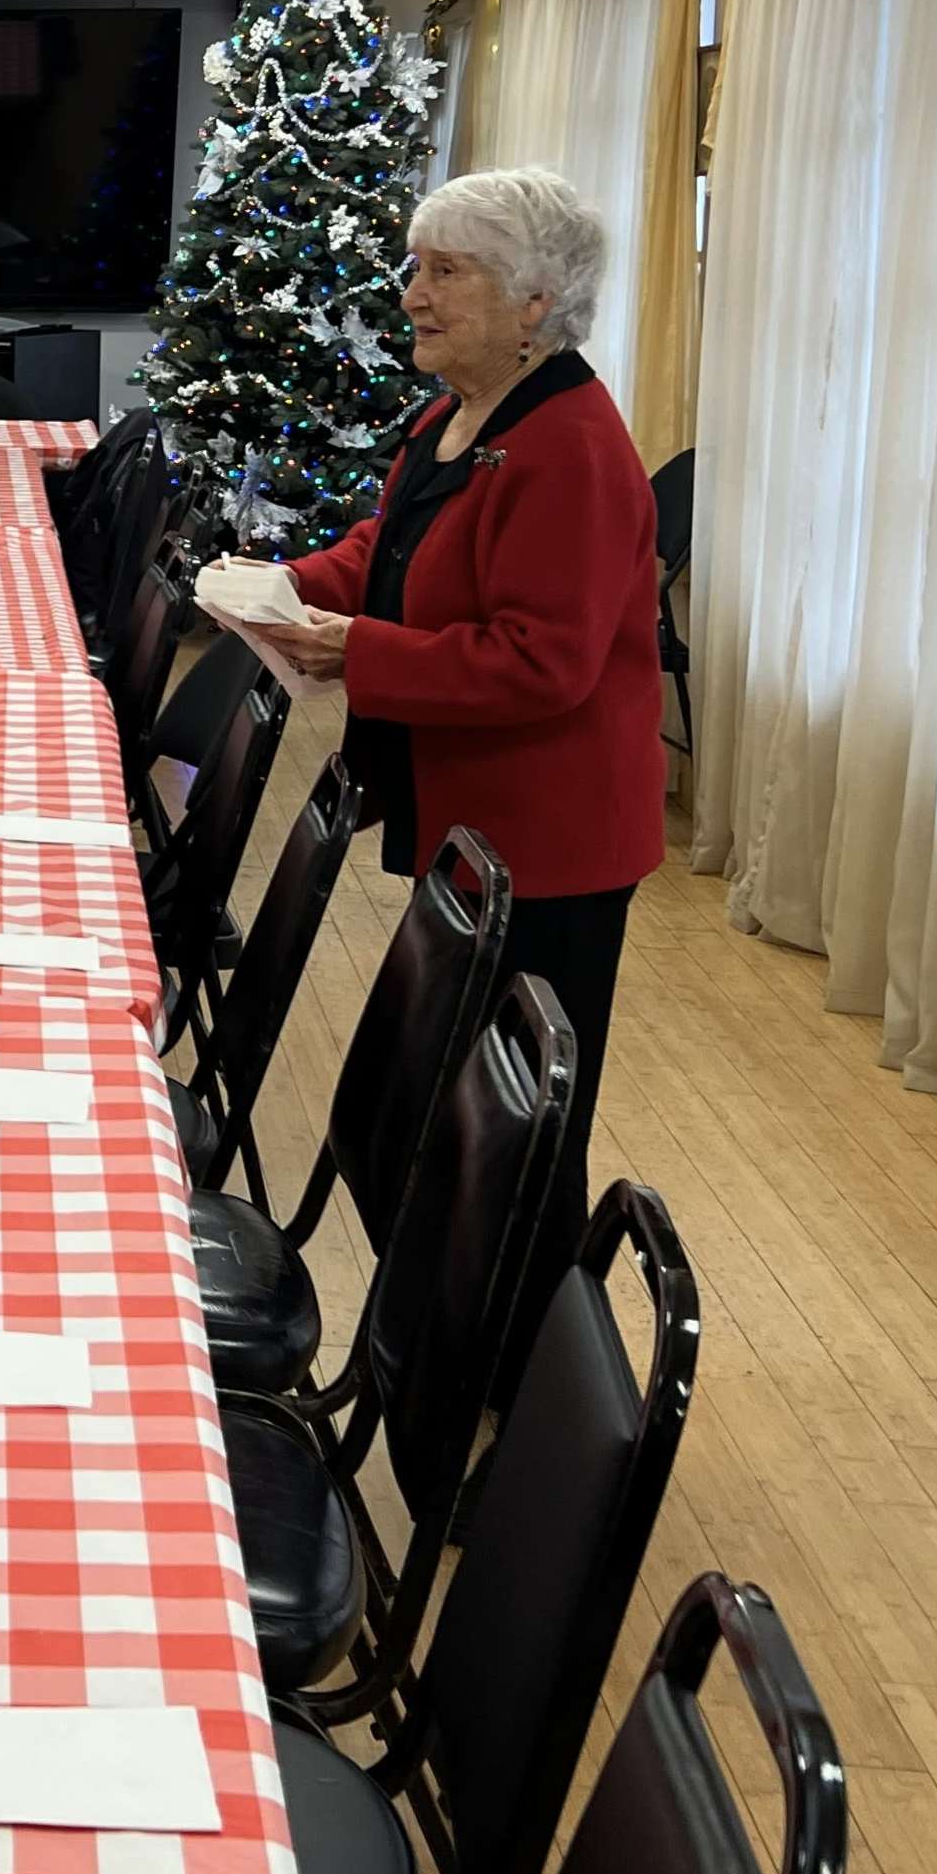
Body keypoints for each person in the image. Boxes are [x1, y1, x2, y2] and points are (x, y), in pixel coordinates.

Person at [257, 164, 664, 1365]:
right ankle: (461, 1335)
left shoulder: (571, 448)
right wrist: (281, 591)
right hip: (476, 829)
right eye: (416, 264)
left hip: (555, 844)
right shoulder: (458, 417)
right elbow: (395, 549)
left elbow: (545, 662)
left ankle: (525, 1378)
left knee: (521, 1128)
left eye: (446, 270)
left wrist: (359, 652)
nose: (412, 293)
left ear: (535, 301)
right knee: (452, 1108)